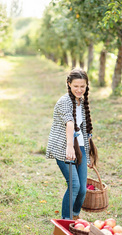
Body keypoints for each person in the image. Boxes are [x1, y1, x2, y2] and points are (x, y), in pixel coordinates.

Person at [46, 68, 98, 220]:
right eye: (76, 86)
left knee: (82, 189)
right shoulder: (64, 102)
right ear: (68, 84)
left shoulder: (81, 102)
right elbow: (70, 123)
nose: (79, 89)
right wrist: (69, 148)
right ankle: (66, 220)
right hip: (64, 148)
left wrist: (89, 155)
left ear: (87, 86)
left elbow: (84, 129)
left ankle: (75, 216)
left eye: (83, 86)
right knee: (74, 185)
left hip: (79, 148)